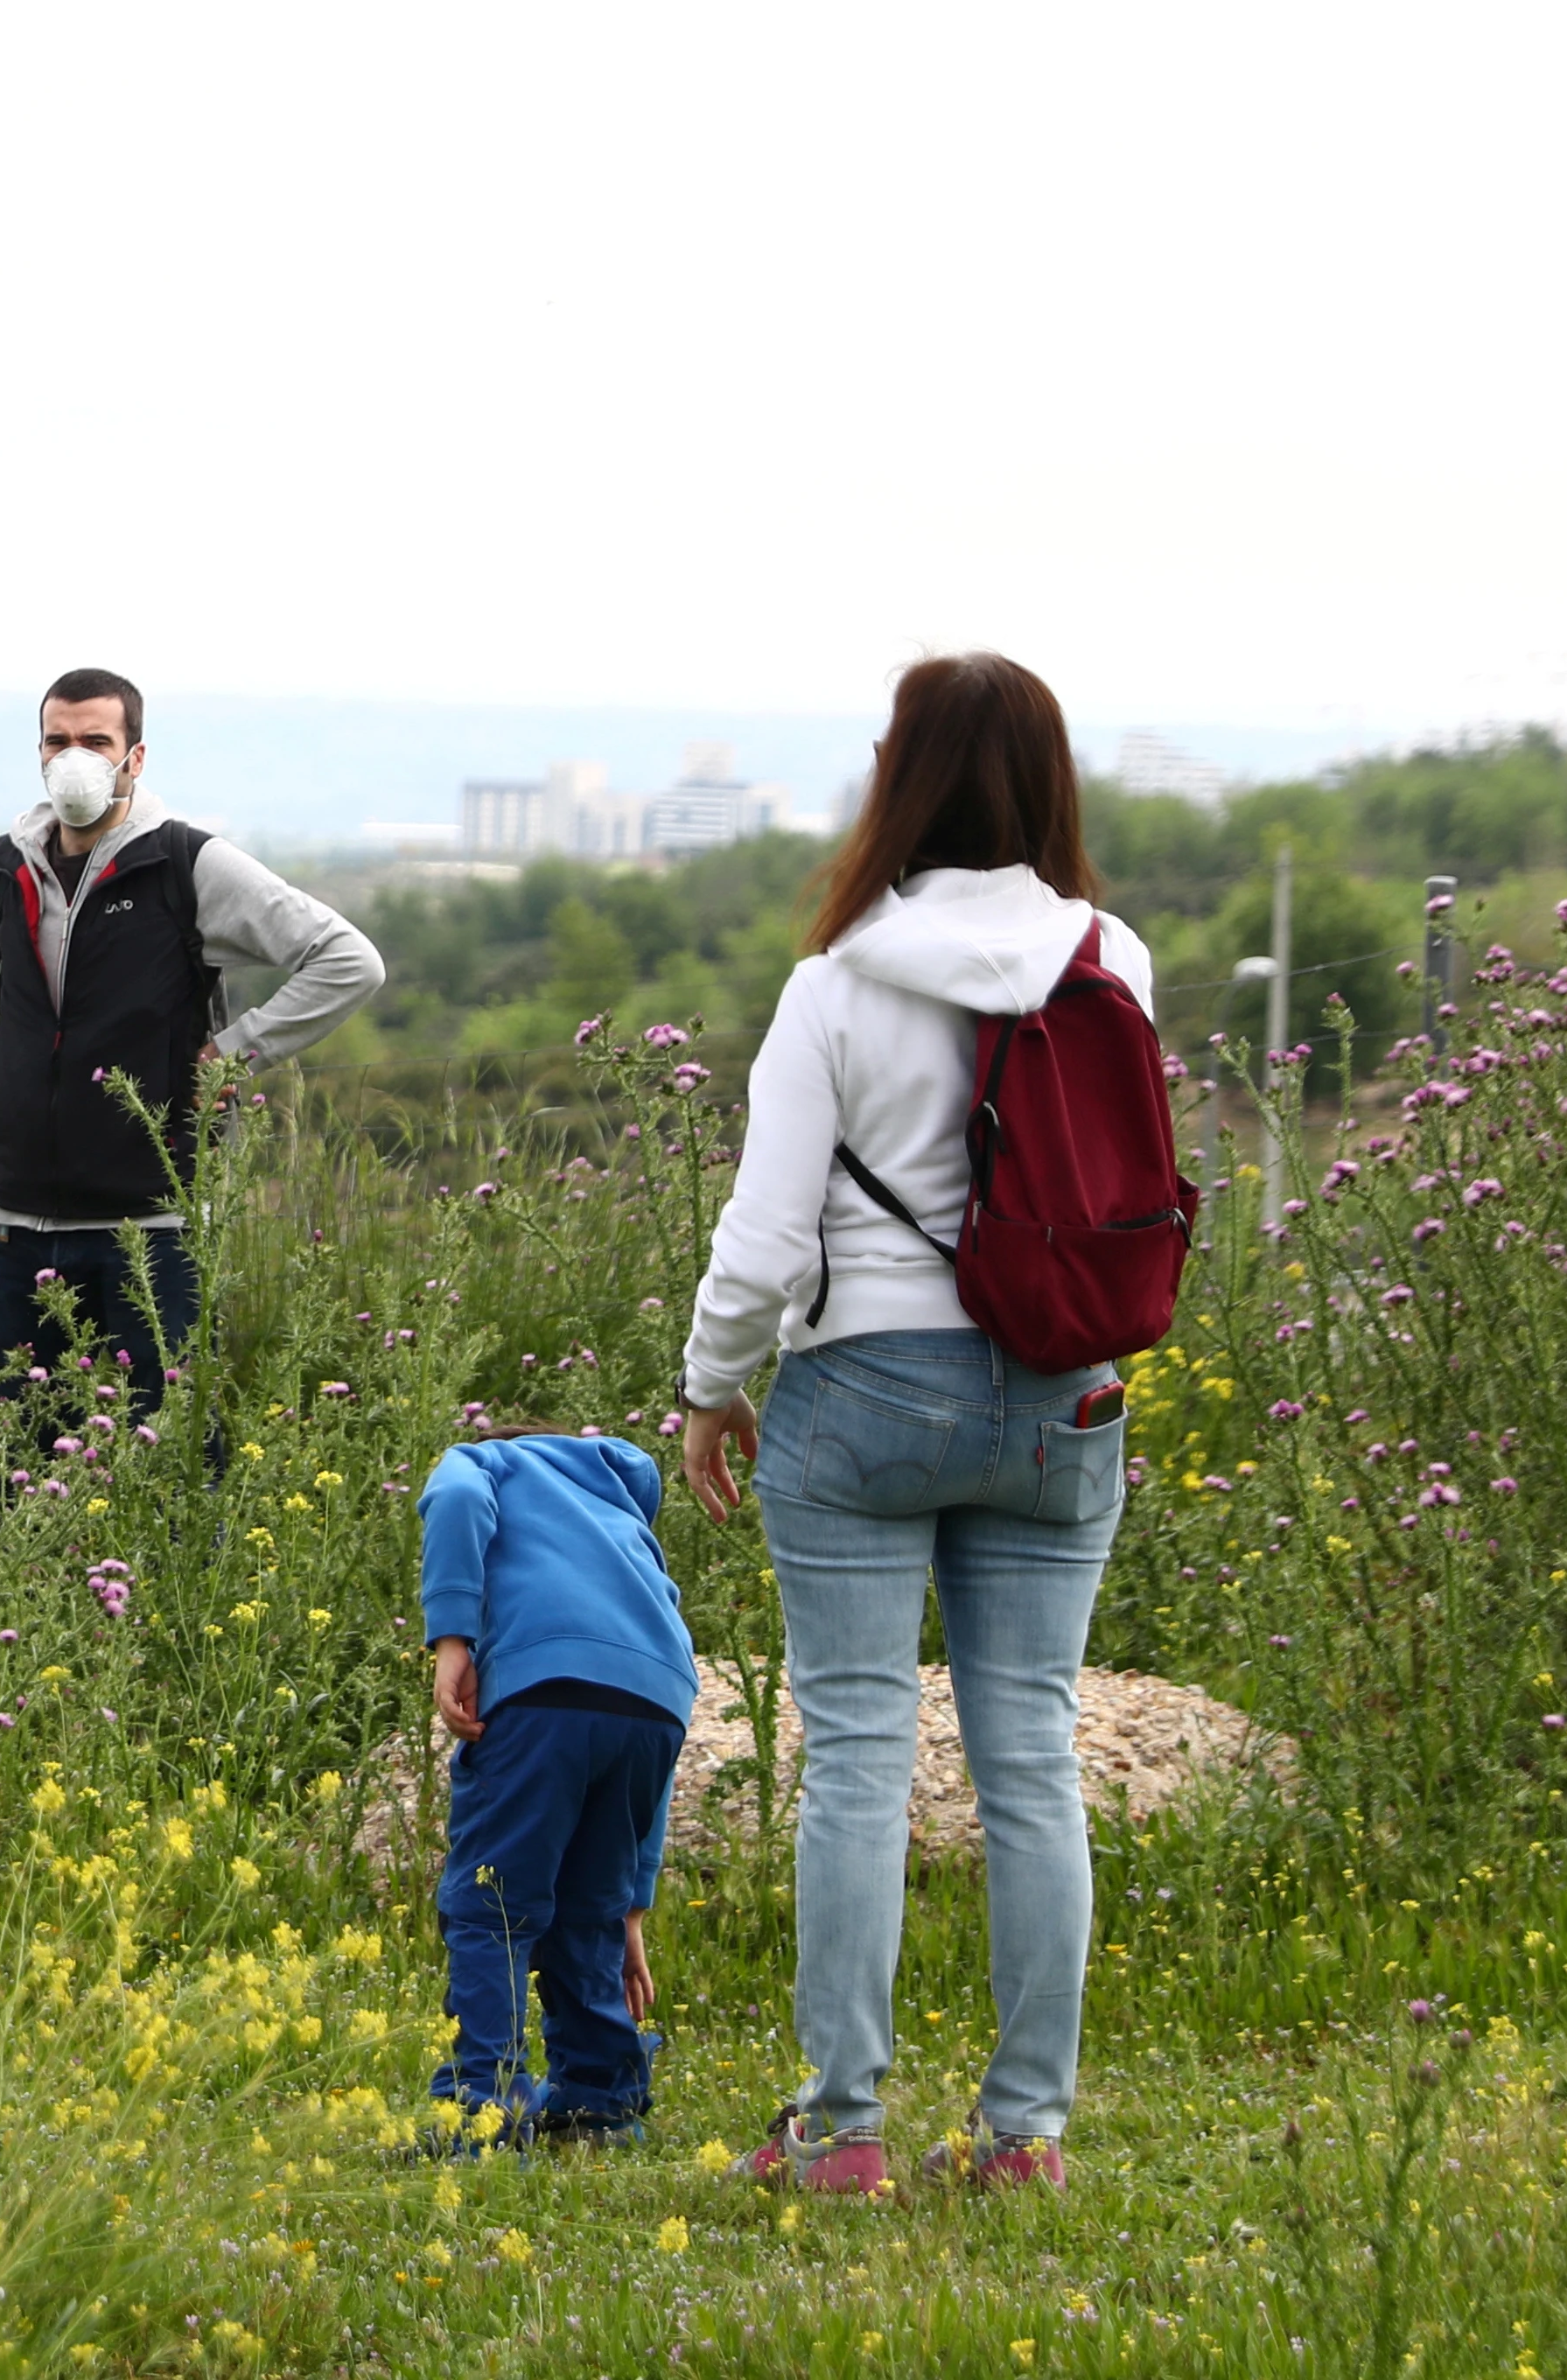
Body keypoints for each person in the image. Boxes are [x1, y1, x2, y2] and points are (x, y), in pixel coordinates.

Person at [677, 652, 1152, 2195]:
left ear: (904, 777)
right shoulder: (1112, 958)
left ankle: (837, 2127)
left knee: (861, 1758)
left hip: (862, 1394)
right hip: (1055, 1396)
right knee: (1032, 1756)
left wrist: (706, 1385)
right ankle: (1025, 2134)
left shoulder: (837, 980)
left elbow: (760, 1237)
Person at [0, 666, 384, 1417]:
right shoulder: (4, 865)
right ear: (39, 753)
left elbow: (349, 960)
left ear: (135, 757)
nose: (73, 757)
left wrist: (234, 1057)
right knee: (23, 1449)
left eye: (95, 740)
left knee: (171, 1442)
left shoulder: (184, 863)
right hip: (20, 1221)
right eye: (57, 741)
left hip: (154, 1221)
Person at [415, 1428, 697, 2147]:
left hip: (544, 1692)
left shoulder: (488, 1461)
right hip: (658, 1701)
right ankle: (600, 2102)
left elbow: (453, 1494)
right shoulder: (622, 1519)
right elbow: (651, 1794)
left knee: (492, 1905)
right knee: (587, 1910)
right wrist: (631, 1908)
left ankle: (483, 2108)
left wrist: (453, 1638)